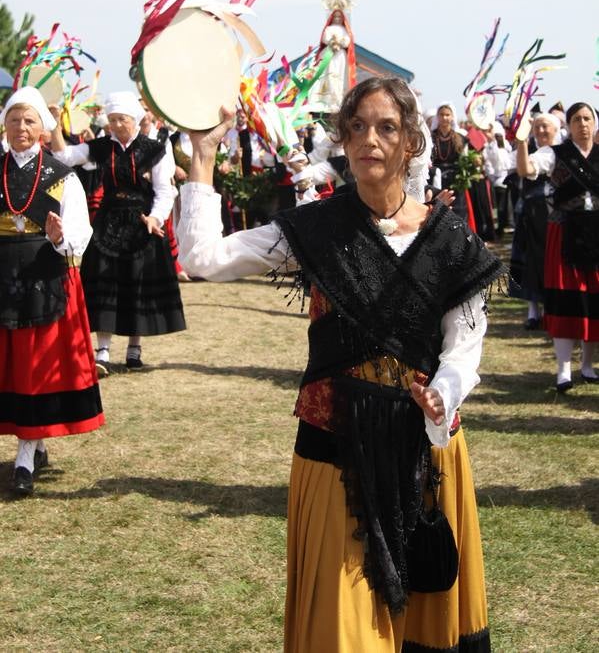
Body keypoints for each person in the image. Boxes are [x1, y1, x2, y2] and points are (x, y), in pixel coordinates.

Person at [177, 77, 504, 652]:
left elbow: (465, 344)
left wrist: (444, 392)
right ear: (342, 140)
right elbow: (205, 259)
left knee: (425, 620)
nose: (369, 140)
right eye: (356, 127)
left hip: (424, 449)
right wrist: (204, 156)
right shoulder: (317, 229)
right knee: (344, 627)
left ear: (411, 143)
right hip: (336, 450)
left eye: (386, 128)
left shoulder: (450, 239)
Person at [0, 86, 104, 496]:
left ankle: (25, 456)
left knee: (34, 366)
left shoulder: (63, 177)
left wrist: (61, 237)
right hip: (3, 275)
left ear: (43, 128)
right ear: (4, 125)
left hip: (45, 277)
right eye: (14, 119)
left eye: (29, 121)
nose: (21, 127)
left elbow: (81, 232)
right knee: (12, 365)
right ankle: (34, 443)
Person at [50, 91, 185, 375]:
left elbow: (164, 190)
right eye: (112, 120)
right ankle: (103, 350)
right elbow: (65, 155)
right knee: (106, 282)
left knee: (135, 283)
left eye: (121, 119)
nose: (116, 125)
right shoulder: (100, 147)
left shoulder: (153, 149)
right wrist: (53, 124)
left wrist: (155, 218)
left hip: (141, 220)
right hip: (108, 221)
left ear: (133, 119)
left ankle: (134, 348)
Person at [517, 101, 599, 391]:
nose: (583, 124)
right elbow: (527, 169)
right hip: (565, 232)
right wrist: (520, 141)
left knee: (593, 300)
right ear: (569, 125)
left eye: (588, 118)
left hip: (596, 235)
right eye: (577, 119)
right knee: (566, 299)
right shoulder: (555, 153)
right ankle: (563, 369)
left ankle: (587, 366)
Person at [509, 112, 560, 328]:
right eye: (537, 126)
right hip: (530, 215)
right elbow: (523, 169)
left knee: (550, 262)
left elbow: (527, 169)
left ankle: (551, 309)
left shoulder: (558, 153)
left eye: (545, 126)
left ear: (556, 130)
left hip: (552, 217)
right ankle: (533, 311)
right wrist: (522, 142)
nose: (540, 131)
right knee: (531, 260)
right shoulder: (536, 152)